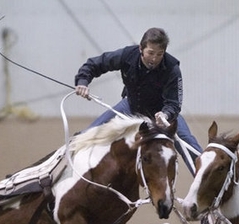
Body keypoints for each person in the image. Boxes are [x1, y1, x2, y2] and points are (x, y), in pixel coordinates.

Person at [74, 27, 202, 175]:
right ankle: (68, 167)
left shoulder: (172, 68)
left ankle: (208, 185)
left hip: (162, 113)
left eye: (159, 54)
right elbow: (96, 64)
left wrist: (166, 114)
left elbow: (174, 103)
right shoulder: (127, 55)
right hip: (131, 106)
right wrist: (83, 81)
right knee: (90, 133)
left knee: (189, 145)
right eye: (150, 53)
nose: (154, 59)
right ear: (141, 48)